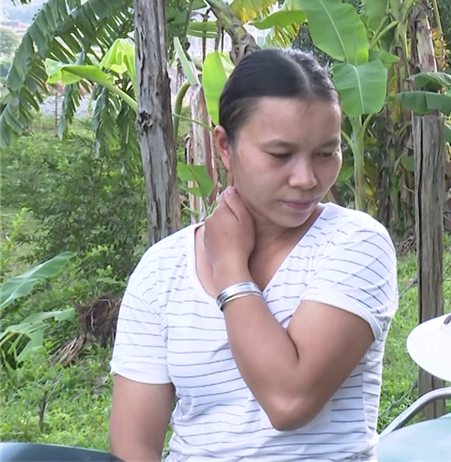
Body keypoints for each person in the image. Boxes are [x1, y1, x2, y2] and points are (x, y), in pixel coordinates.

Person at [107, 48, 399, 461]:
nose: (306, 179)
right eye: (280, 155)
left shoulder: (354, 244)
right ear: (225, 146)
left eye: (325, 152)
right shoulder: (162, 269)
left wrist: (230, 267)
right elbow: (134, 443)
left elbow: (289, 401)